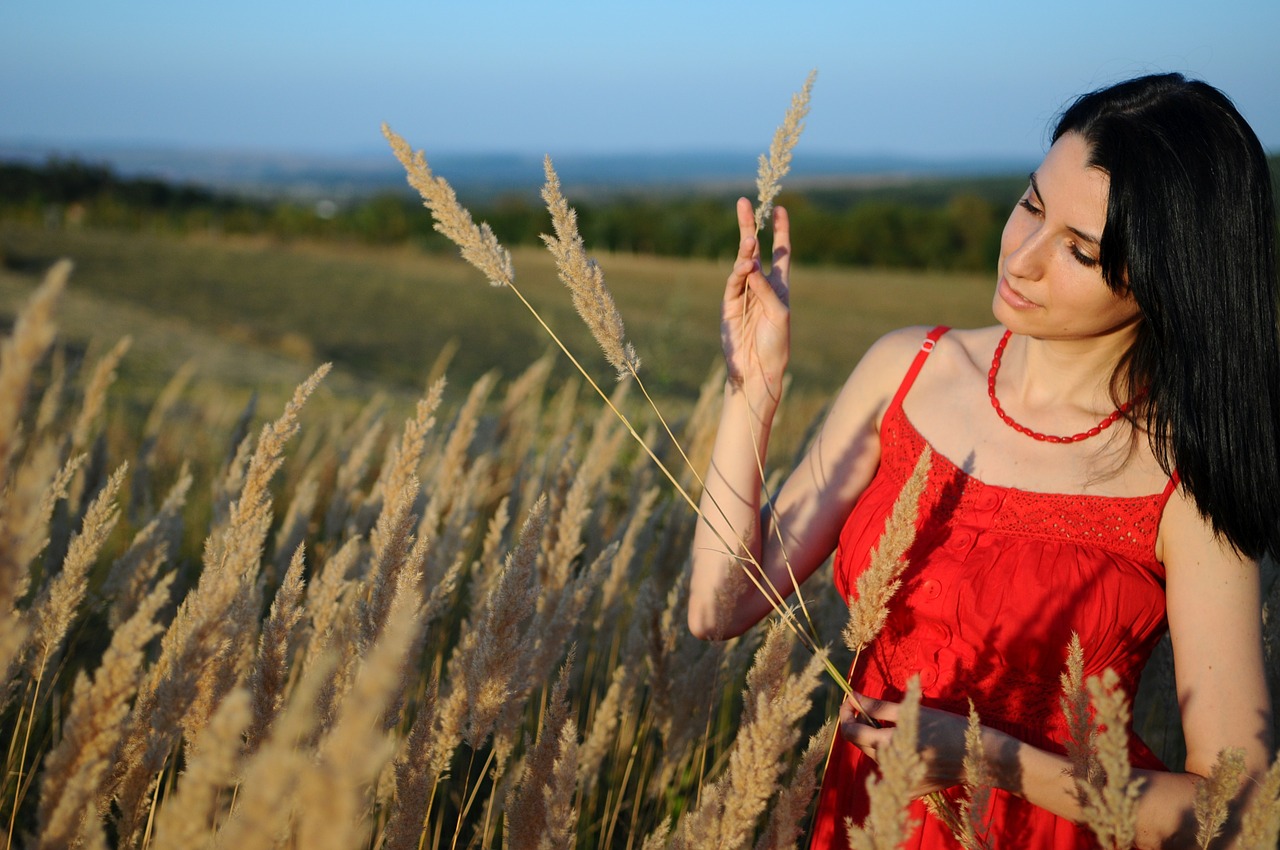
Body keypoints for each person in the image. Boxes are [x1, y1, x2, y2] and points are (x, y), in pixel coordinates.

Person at [687, 73, 1278, 849]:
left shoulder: (1183, 479)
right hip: (868, 822)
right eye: (1031, 204)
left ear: (1168, 279)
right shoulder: (907, 370)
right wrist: (752, 389)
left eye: (1080, 249)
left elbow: (1240, 812)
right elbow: (719, 607)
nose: (1024, 258)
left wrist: (994, 760)